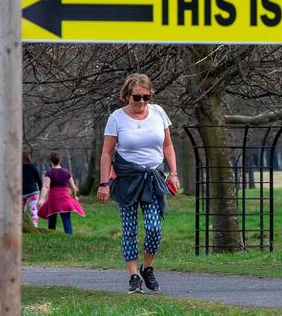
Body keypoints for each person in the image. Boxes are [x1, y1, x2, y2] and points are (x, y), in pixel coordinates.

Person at [97, 73, 180, 294]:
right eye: (137, 97)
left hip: (153, 179)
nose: (142, 101)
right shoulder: (116, 118)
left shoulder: (159, 113)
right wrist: (104, 183)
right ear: (127, 96)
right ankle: (134, 276)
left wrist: (173, 173)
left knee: (154, 228)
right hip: (126, 181)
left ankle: (148, 268)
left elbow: (168, 146)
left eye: (146, 97)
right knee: (130, 229)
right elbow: (106, 153)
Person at [37, 152, 85, 234]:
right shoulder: (66, 172)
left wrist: (41, 199)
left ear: (50, 161)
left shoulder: (49, 173)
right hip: (65, 199)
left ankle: (51, 234)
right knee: (66, 218)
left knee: (52, 217)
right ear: (60, 160)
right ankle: (69, 236)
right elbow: (73, 187)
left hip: (53, 199)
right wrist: (74, 196)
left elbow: (46, 187)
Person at [22, 152, 42, 227]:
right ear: (28, 158)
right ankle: (35, 225)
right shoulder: (32, 167)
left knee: (20, 210)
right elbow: (38, 180)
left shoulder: (17, 168)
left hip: (21, 193)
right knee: (33, 209)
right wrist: (41, 189)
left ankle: (21, 224)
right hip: (33, 191)